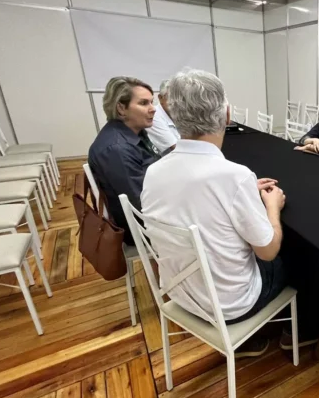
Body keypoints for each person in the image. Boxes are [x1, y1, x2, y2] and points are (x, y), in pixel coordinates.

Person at [141, 69, 294, 357]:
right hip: (231, 307)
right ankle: (302, 330)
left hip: (181, 295)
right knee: (294, 257)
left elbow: (196, 200)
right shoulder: (234, 177)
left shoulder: (153, 172)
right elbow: (268, 251)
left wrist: (245, 191)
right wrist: (272, 208)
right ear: (226, 115)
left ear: (173, 116)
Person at [88, 76, 160, 244]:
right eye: (144, 103)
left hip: (152, 209)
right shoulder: (117, 149)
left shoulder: (134, 133)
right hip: (141, 228)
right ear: (121, 108)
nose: (153, 109)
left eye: (152, 102)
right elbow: (139, 203)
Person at [146, 79, 180, 154]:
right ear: (160, 98)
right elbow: (177, 149)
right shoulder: (153, 116)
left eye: (180, 97)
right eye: (171, 97)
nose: (177, 102)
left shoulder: (180, 114)